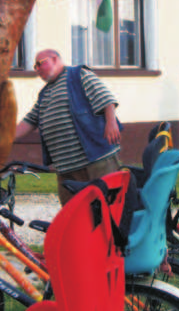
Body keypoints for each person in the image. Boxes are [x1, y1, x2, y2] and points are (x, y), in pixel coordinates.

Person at [15, 49, 121, 205]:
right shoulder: (45, 93)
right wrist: (4, 139)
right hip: (66, 167)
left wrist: (111, 123)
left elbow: (106, 99)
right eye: (35, 66)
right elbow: (30, 121)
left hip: (95, 160)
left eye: (40, 64)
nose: (36, 69)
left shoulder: (78, 75)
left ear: (55, 59)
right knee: (73, 212)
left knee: (107, 206)